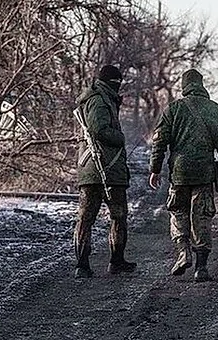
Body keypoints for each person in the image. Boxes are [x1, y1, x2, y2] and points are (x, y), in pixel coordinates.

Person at [149, 68, 218, 282]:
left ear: (184, 86)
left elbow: (159, 142)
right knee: (202, 216)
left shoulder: (173, 109)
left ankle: (183, 250)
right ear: (202, 85)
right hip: (205, 172)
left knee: (178, 211)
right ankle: (201, 268)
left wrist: (155, 169)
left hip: (179, 172)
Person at [73, 64, 136, 278]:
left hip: (94, 169)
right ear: (113, 83)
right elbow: (98, 129)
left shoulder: (97, 97)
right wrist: (121, 139)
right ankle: (101, 263)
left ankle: (89, 264)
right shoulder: (100, 100)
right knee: (115, 216)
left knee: (87, 217)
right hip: (103, 168)